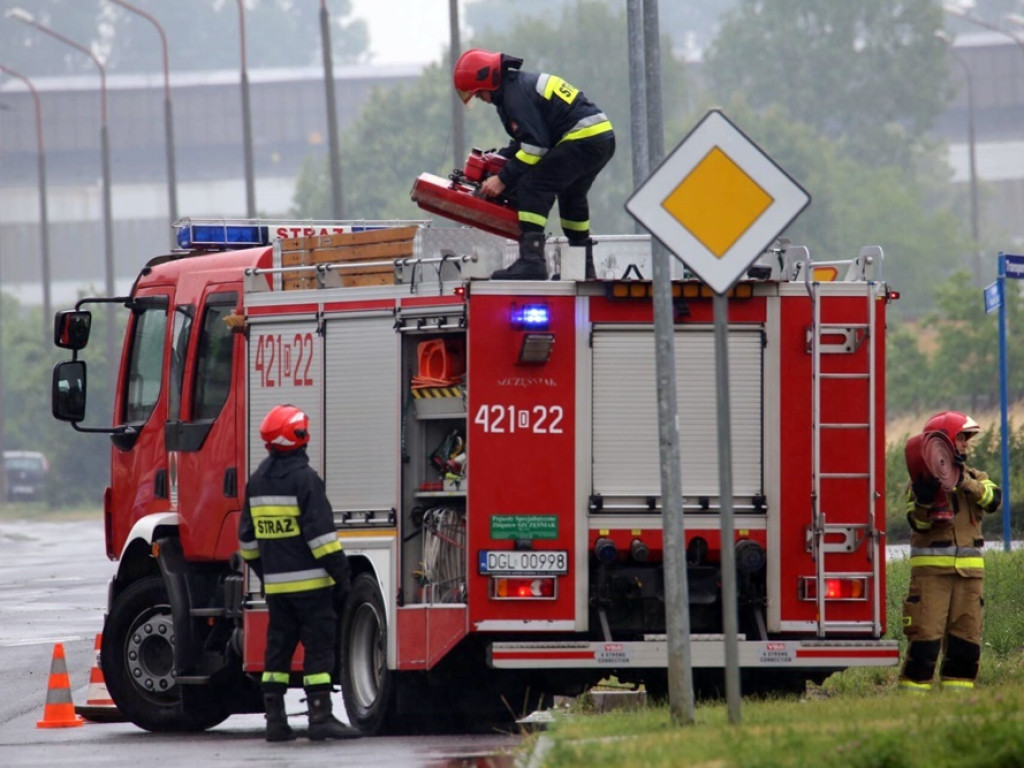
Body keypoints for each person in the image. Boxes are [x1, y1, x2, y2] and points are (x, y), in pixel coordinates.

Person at [238, 404, 361, 741]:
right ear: (299, 436)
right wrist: (343, 577)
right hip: (313, 588)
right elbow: (322, 539)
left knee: (277, 651)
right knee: (319, 649)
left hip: (277, 590)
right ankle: (320, 717)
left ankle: (275, 722)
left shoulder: (257, 482)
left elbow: (247, 541)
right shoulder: (306, 480)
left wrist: (268, 572)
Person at [453, 48, 616, 280]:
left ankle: (532, 261)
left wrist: (502, 179)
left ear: (487, 81)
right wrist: (497, 160)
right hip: (601, 138)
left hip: (581, 139)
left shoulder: (513, 96)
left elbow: (536, 146)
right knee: (571, 195)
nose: (481, 100)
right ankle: (582, 267)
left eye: (479, 94)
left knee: (533, 185)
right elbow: (527, 140)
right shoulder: (515, 88)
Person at [899, 410, 1001, 692]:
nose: (966, 444)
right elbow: (918, 523)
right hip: (931, 578)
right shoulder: (919, 484)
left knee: (966, 645)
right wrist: (927, 498)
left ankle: (959, 703)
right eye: (961, 438)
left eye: (967, 439)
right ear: (942, 441)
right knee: (925, 643)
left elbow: (994, 500)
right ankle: (910, 704)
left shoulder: (976, 477)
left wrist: (962, 482)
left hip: (969, 578)